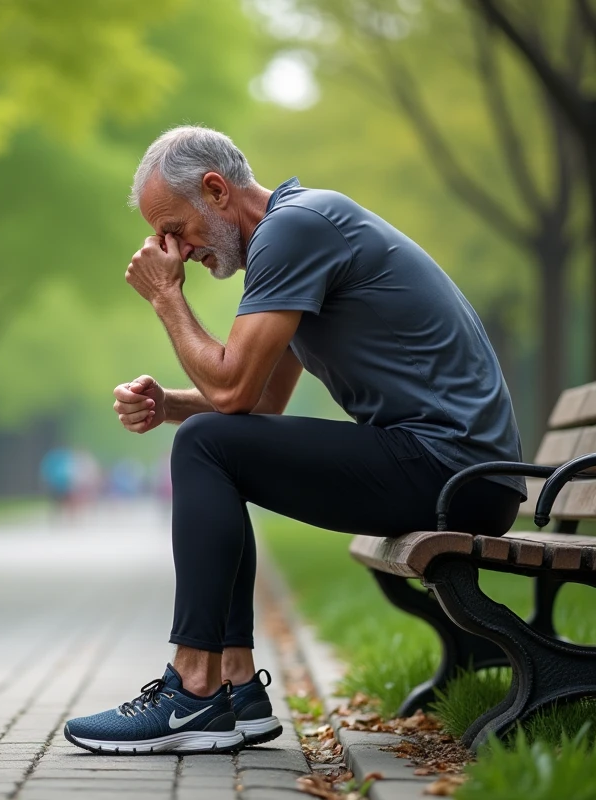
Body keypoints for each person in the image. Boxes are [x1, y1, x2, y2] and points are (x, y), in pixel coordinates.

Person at [63, 126, 524, 756]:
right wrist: (168, 403)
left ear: (216, 190)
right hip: (457, 468)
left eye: (174, 228)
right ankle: (236, 690)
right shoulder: (292, 236)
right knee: (210, 441)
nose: (170, 248)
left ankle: (192, 691)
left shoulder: (296, 230)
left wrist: (167, 299)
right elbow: (256, 403)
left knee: (205, 444)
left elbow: (231, 396)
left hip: (454, 470)